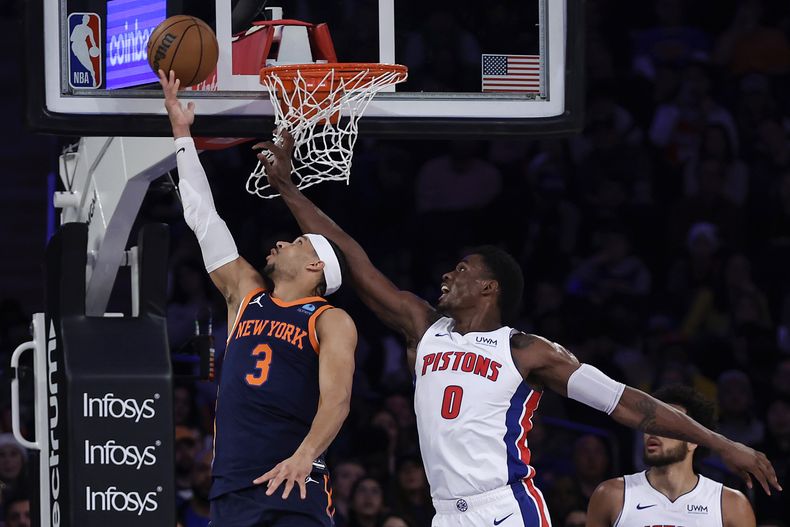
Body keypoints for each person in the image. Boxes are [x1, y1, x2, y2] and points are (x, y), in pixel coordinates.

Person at [258, 130, 781, 526]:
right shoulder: (424, 326)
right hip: (445, 512)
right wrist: (286, 187)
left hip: (505, 509)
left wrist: (724, 444)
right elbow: (353, 258)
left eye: (462, 270)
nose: (448, 274)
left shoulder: (528, 352)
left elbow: (633, 405)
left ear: (491, 289)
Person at [159, 70, 358, 527]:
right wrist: (182, 133)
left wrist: (305, 456)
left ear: (316, 269)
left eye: (297, 243)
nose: (283, 244)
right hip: (231, 486)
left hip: (293, 482)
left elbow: (337, 400)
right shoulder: (246, 294)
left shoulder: (330, 319)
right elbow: (204, 219)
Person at [587, 385, 757, 526]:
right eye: (649, 423)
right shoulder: (611, 495)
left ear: (693, 440)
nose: (652, 431)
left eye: (665, 425)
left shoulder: (732, 504)